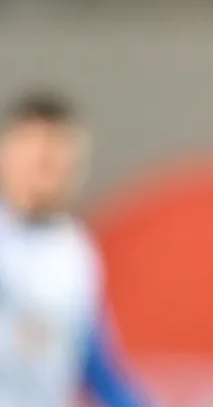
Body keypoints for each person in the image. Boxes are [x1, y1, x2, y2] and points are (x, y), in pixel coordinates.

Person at [0, 91, 151, 407]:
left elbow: (97, 366)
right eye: (37, 158)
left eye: (59, 159)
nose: (47, 171)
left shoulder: (75, 254)